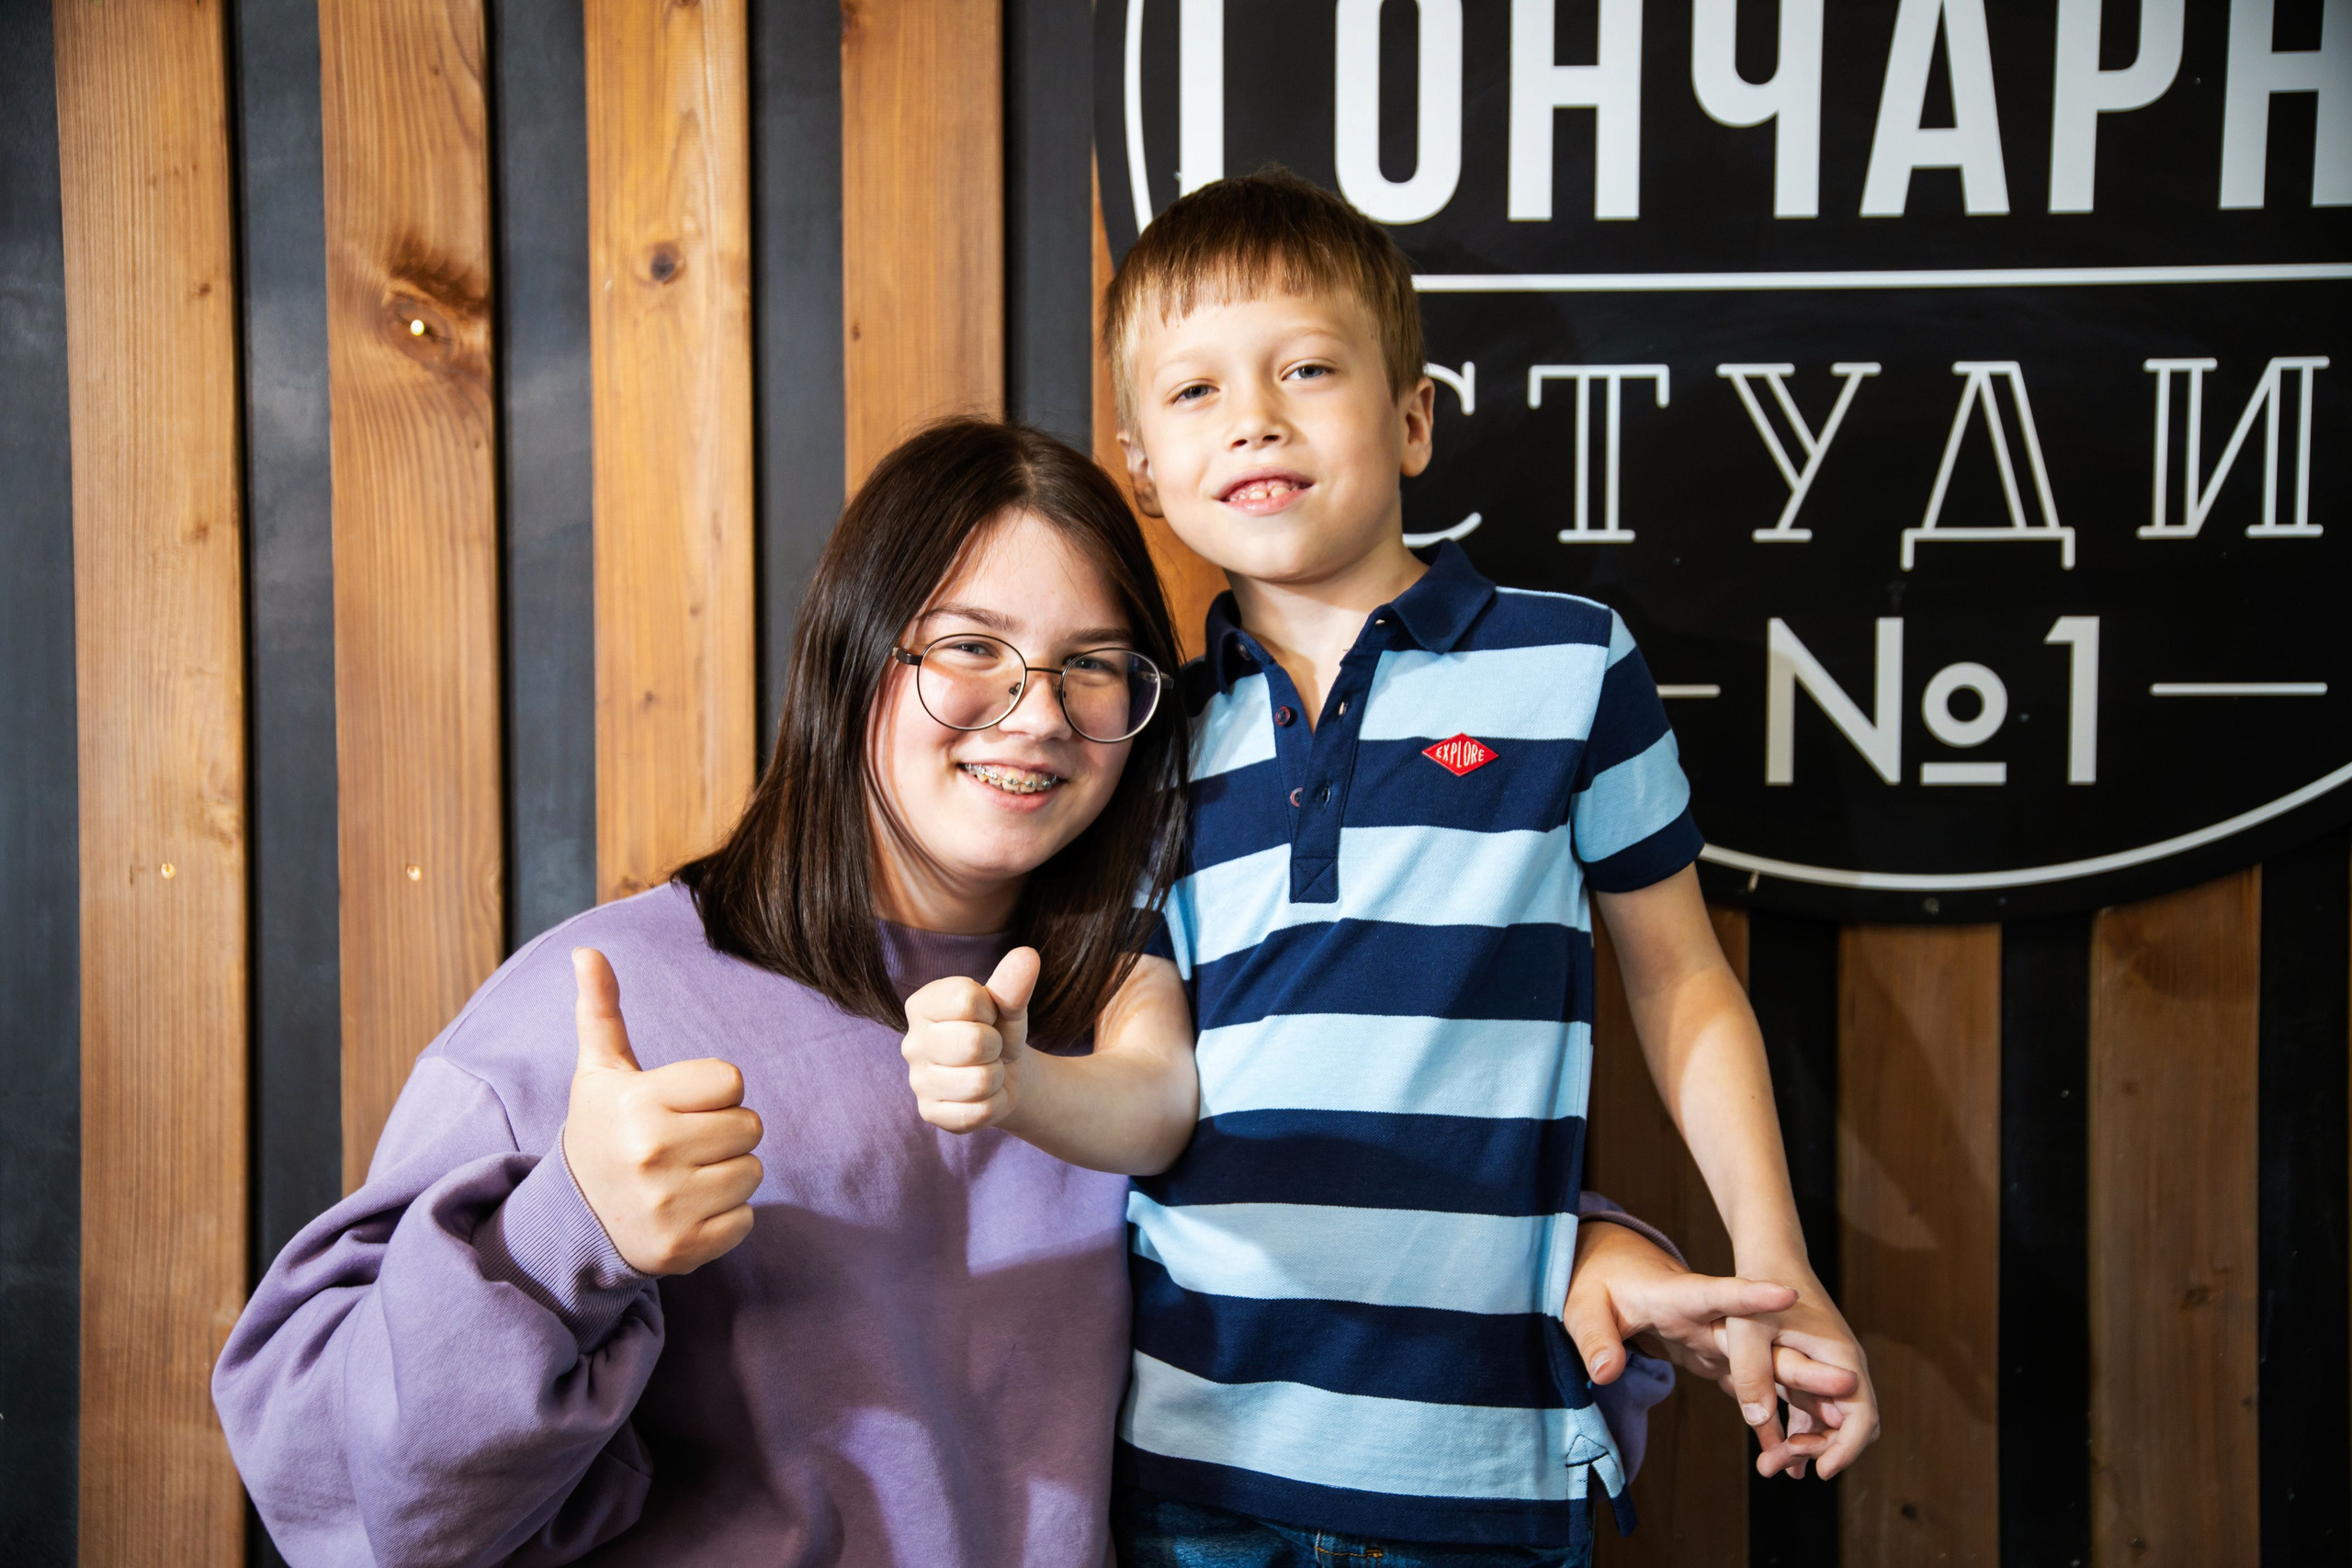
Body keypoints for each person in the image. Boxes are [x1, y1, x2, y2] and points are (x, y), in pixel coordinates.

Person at [212, 418, 1749, 1567]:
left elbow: (1329, 1224)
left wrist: (1583, 1250)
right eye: (971, 648)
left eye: (1096, 666)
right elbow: (345, 1509)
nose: (1039, 711)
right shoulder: (606, 1003)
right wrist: (572, 1236)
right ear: (852, 661)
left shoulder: (1143, 1018)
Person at [899, 175, 1880, 1565]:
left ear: (1412, 416)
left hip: (1484, 1463)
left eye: (1306, 368)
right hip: (1201, 1468)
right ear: (1143, 472)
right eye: (1195, 393)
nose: (1255, 417)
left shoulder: (1568, 663)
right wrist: (1024, 1089)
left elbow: (1684, 986)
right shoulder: (1152, 739)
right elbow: (1155, 1094)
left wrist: (1777, 1268)